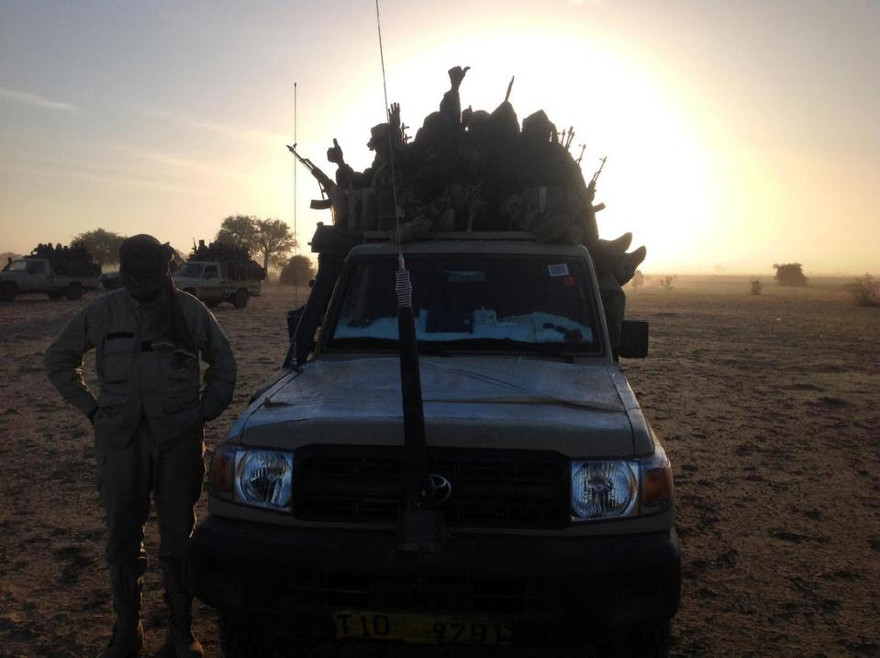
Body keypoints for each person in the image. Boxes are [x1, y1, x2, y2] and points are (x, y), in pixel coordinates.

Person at [45, 234, 237, 658]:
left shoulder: (189, 311)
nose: (143, 280)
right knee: (120, 539)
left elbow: (224, 365)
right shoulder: (102, 312)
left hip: (177, 442)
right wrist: (92, 412)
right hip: (119, 443)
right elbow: (57, 360)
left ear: (165, 267)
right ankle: (127, 631)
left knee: (177, 542)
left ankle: (181, 633)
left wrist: (202, 413)